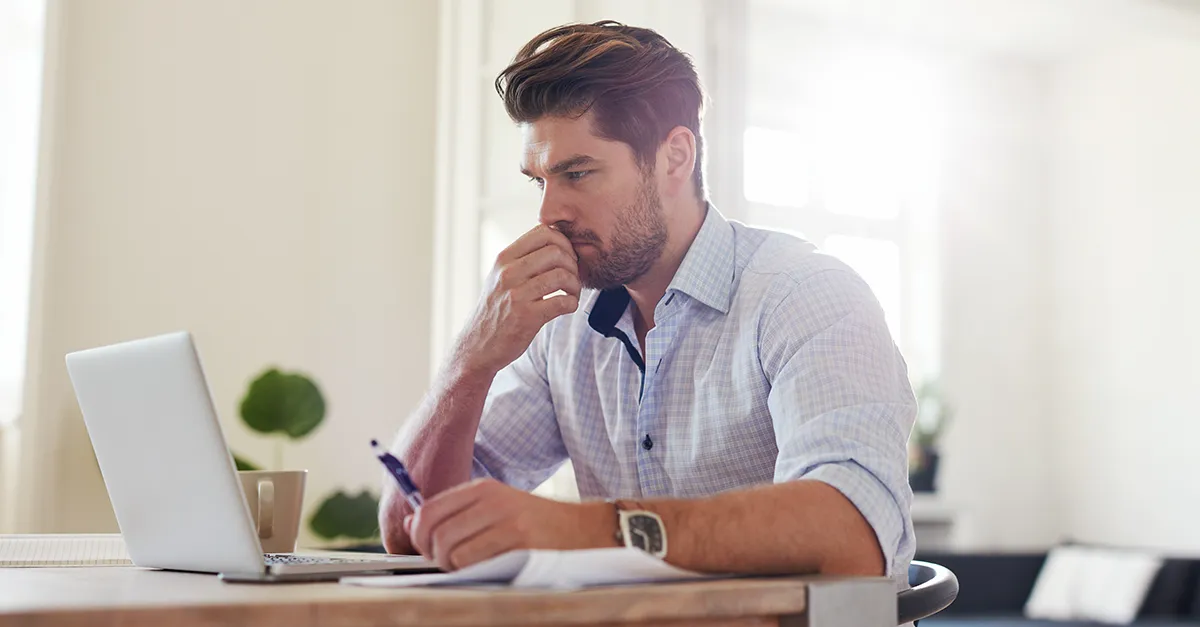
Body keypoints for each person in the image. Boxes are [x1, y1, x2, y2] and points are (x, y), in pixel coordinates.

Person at [378, 20, 916, 586]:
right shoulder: (565, 328)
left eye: (578, 173)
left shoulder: (806, 296)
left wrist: (583, 531)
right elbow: (413, 527)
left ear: (674, 158)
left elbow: (853, 536)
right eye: (539, 182)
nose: (547, 214)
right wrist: (471, 360)